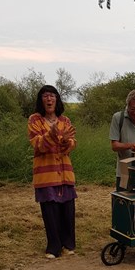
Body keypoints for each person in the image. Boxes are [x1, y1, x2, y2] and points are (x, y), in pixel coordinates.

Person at [28, 85, 77, 259]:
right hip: (45, 174)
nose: (49, 99)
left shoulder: (65, 120)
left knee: (68, 210)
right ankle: (53, 247)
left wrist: (65, 142)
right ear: (41, 100)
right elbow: (38, 145)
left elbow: (71, 145)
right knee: (50, 211)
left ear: (57, 100)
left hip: (65, 173)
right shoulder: (35, 120)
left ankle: (68, 244)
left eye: (52, 96)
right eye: (45, 96)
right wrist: (53, 134)